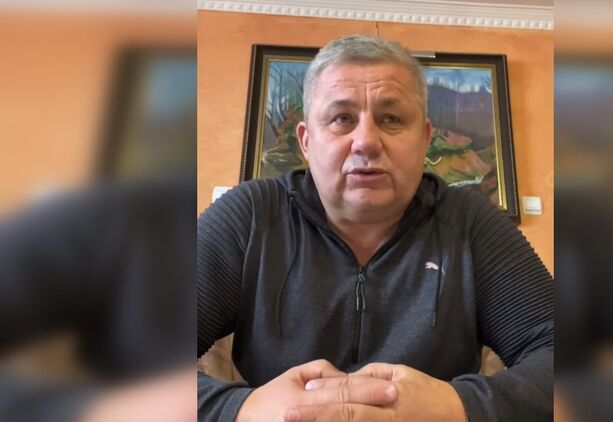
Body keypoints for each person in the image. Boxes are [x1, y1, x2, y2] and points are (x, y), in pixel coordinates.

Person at [198, 35, 553, 422]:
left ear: (424, 139)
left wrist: (458, 405)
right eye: (342, 119)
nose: (366, 142)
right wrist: (242, 409)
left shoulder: (471, 222)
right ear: (306, 141)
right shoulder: (250, 214)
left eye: (391, 119)